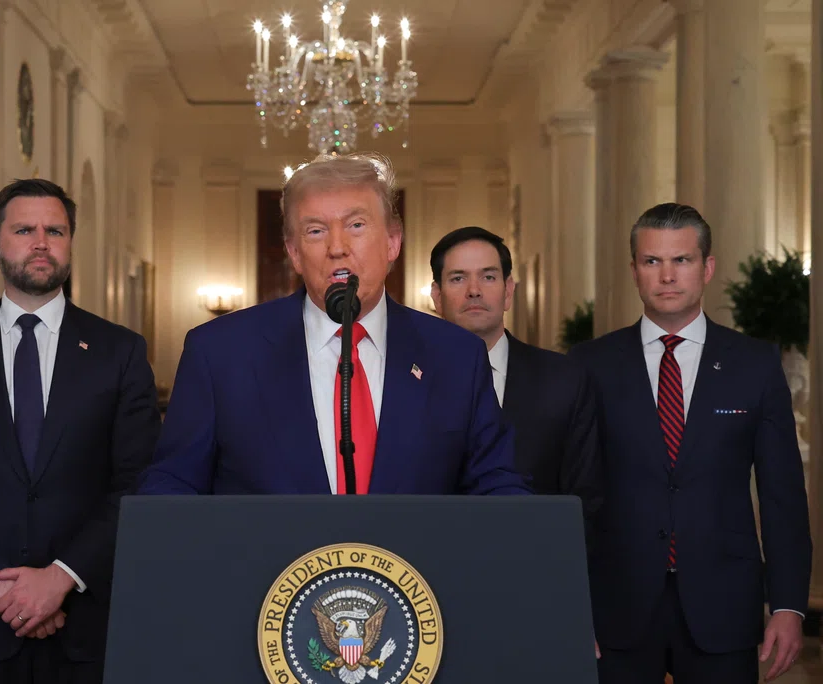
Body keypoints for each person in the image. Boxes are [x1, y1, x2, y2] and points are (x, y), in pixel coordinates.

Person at [138, 153, 530, 496]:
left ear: (393, 242)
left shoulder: (456, 356)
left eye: (356, 225)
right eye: (315, 231)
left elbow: (495, 485)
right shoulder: (220, 353)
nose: (337, 246)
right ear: (294, 252)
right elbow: (172, 485)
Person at [0, 178, 162, 684]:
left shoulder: (120, 352)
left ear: (70, 242)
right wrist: (5, 590)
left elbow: (137, 481)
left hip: (89, 625)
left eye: (55, 230)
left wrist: (60, 578)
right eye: (24, 229)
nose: (41, 242)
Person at [568, 203, 812, 683]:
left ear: (707, 268)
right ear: (635, 271)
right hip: (614, 605)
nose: (667, 276)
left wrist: (788, 605)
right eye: (652, 261)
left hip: (725, 605)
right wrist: (568, 602)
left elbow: (783, 496)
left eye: (681, 260)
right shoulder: (589, 365)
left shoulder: (754, 365)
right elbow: (571, 493)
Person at [429, 226, 601, 537]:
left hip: (538, 568)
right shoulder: (409, 380)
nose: (474, 290)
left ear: (508, 292)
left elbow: (585, 502)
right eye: (458, 278)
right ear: (437, 297)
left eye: (488, 276)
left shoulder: (564, 380)